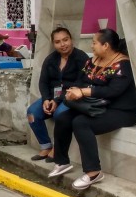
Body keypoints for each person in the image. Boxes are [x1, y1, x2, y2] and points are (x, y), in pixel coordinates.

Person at [48, 28, 136, 190]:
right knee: (63, 117)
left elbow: (113, 91)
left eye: (94, 43)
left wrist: (83, 91)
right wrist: (72, 91)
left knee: (81, 122)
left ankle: (93, 172)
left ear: (105, 46)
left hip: (121, 110)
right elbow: (80, 80)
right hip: (96, 105)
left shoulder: (122, 65)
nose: (92, 46)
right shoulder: (94, 60)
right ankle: (62, 162)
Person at [26, 27, 89, 161]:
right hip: (52, 97)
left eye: (65, 40)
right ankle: (46, 146)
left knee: (60, 114)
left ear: (71, 39)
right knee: (32, 113)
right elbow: (43, 82)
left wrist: (58, 100)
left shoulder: (81, 57)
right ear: (53, 43)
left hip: (72, 97)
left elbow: (81, 82)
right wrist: (46, 99)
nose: (62, 44)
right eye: (58, 41)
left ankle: (58, 149)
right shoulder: (50, 59)